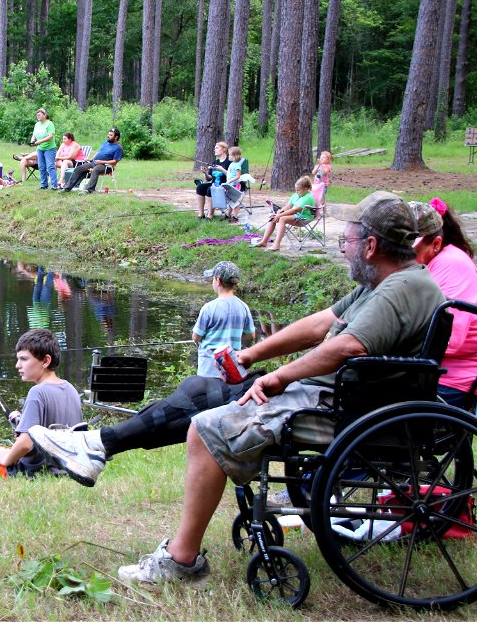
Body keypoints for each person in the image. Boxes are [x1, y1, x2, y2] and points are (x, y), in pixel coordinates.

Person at [32, 194, 447, 585]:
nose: (344, 249)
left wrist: (277, 377)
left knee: (204, 429)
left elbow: (347, 345)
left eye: (348, 240)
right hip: (332, 395)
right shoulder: (384, 284)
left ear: (371, 245)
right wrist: (251, 356)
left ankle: (182, 560)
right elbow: (320, 324)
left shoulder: (401, 289)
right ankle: (97, 446)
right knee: (201, 389)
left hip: (334, 408)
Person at [409, 199, 477, 408]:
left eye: (410, 250)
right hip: (464, 368)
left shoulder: (450, 264)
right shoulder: (445, 259)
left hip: (462, 375)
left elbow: (449, 339)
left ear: (436, 244)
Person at [0, 329, 82, 478]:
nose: (17, 365)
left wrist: (6, 458)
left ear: (45, 361)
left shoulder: (37, 392)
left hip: (31, 470)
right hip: (64, 468)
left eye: (24, 359)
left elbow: (25, 444)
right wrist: (22, 421)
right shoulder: (70, 388)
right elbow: (55, 429)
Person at [192, 261, 256, 378]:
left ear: (218, 281)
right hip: (231, 368)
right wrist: (233, 337)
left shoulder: (209, 308)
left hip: (208, 370)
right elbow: (251, 335)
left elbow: (196, 337)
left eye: (213, 279)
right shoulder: (243, 307)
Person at [254, 176, 316, 250]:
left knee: (282, 219)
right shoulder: (296, 195)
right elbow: (288, 206)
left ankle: (277, 245)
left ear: (306, 188)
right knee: (274, 217)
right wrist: (280, 212)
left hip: (304, 218)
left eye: (298, 190)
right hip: (296, 216)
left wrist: (279, 215)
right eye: (296, 190)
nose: (296, 192)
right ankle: (264, 241)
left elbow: (294, 210)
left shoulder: (308, 198)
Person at [62, 128, 123, 193]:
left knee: (96, 169)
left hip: (106, 166)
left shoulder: (118, 148)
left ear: (116, 137)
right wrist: (91, 159)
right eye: (108, 134)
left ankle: (88, 190)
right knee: (79, 169)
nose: (108, 136)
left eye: (111, 135)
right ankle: (67, 188)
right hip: (94, 162)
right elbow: (99, 152)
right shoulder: (106, 143)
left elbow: (115, 161)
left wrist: (101, 162)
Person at [195, 141, 231, 220]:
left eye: (217, 148)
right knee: (200, 187)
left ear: (224, 149)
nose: (214, 150)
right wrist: (205, 173)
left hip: (224, 186)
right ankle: (201, 214)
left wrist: (222, 170)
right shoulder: (215, 162)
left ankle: (210, 214)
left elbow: (232, 176)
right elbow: (209, 178)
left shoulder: (229, 162)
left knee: (210, 189)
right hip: (214, 184)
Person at [213, 146, 246, 222]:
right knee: (230, 200)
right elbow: (229, 173)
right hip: (230, 185)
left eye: (230, 155)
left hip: (235, 185)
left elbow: (238, 176)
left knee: (234, 201)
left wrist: (230, 181)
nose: (229, 156)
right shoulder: (232, 164)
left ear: (235, 156)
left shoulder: (237, 165)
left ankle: (235, 217)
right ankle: (228, 215)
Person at [31, 108, 58, 190]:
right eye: (37, 115)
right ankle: (44, 185)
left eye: (39, 114)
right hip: (40, 149)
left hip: (50, 148)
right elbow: (34, 134)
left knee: (50, 166)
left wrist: (40, 141)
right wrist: (32, 141)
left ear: (44, 115)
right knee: (41, 166)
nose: (38, 116)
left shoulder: (49, 124)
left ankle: (54, 185)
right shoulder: (37, 124)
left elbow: (50, 136)